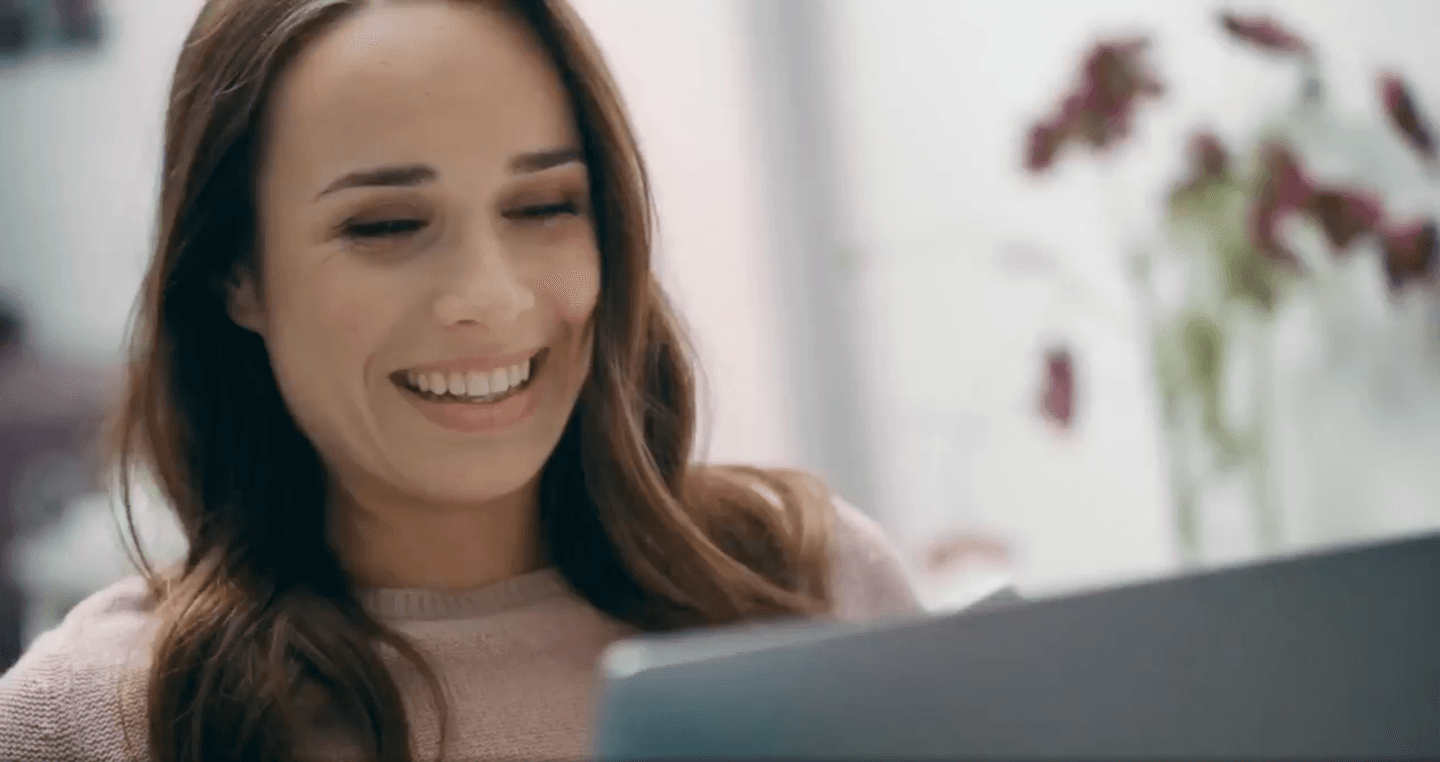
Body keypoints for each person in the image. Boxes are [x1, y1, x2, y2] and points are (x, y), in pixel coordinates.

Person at [0, 1, 921, 760]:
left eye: (544, 205)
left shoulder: (814, 585)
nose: (490, 297)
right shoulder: (101, 720)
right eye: (386, 226)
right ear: (236, 274)